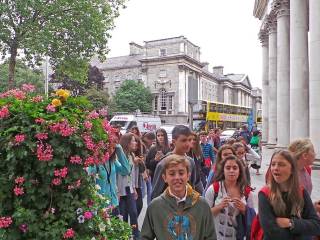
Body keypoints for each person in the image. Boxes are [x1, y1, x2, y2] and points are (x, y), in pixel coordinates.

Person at [141, 154, 217, 240]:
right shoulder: (155, 206)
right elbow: (145, 237)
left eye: (181, 173)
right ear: (164, 177)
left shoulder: (202, 205)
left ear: (188, 176)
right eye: (172, 174)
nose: (177, 177)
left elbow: (211, 236)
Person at [258, 150, 320, 239]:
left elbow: (316, 225)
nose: (275, 168)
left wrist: (290, 223)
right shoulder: (265, 194)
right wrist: (302, 231)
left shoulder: (301, 191)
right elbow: (271, 231)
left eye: (281, 164)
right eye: (273, 164)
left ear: (292, 169)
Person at [205, 155, 254, 240]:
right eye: (228, 168)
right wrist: (219, 207)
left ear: (240, 171)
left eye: (235, 168)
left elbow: (253, 218)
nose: (231, 171)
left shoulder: (247, 192)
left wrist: (244, 209)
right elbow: (204, 215)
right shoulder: (214, 189)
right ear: (223, 171)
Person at [151, 125, 203, 199]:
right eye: (184, 140)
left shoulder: (190, 161)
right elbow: (156, 193)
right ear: (174, 142)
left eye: (190, 140)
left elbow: (196, 185)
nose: (188, 143)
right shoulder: (164, 163)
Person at [87, 132, 131, 216]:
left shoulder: (113, 161)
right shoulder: (96, 162)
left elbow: (126, 170)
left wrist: (119, 149)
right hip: (101, 205)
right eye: (109, 147)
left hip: (114, 204)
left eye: (113, 148)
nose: (111, 151)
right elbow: (89, 174)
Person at [118, 133, 140, 240]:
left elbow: (132, 173)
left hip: (129, 188)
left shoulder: (132, 155)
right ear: (127, 143)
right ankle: (125, 235)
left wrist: (134, 188)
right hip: (120, 189)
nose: (135, 143)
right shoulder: (118, 156)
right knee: (123, 214)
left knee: (134, 212)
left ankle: (135, 235)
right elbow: (119, 174)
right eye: (133, 140)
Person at [288, 139, 320, 214]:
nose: (315, 154)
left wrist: (313, 206)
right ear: (305, 155)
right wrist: (312, 209)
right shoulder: (289, 174)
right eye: (313, 151)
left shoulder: (306, 169)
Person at [141, 131, 156, 205]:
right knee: (148, 190)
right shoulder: (143, 145)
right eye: (152, 141)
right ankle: (150, 206)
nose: (152, 144)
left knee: (148, 190)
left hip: (145, 171)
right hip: (144, 171)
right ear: (149, 140)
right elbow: (144, 160)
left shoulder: (145, 145)